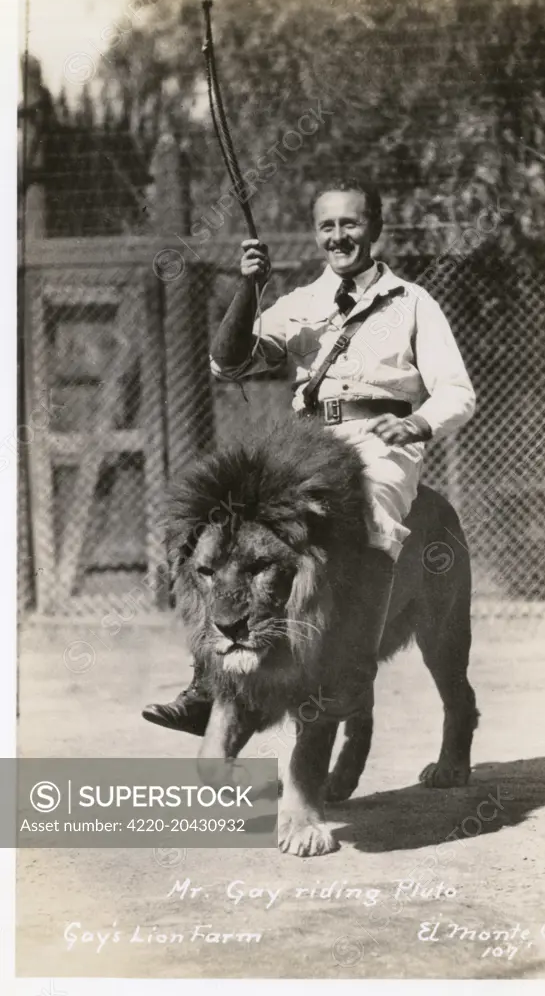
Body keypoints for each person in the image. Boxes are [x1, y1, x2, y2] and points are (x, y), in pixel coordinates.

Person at [142, 177, 476, 735]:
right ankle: (207, 684)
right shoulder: (299, 304)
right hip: (305, 447)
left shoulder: (414, 303)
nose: (339, 236)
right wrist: (250, 289)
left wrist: (417, 421)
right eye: (328, 226)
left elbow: (457, 392)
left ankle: (350, 672)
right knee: (220, 527)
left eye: (351, 223)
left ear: (375, 227)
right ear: (316, 233)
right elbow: (228, 364)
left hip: (379, 441)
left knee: (373, 519)